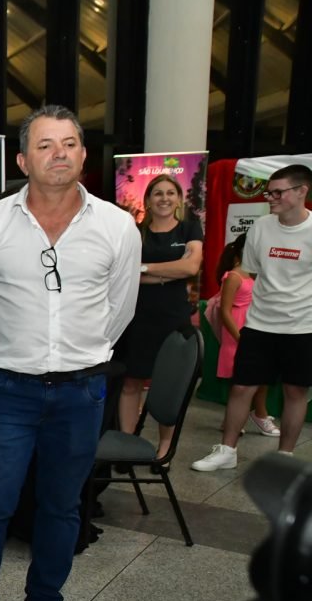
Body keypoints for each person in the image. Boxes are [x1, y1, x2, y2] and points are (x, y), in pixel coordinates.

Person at [0, 104, 139, 601]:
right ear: (22, 161)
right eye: (45, 144)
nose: (59, 153)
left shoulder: (116, 226)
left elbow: (119, 309)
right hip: (8, 389)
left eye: (69, 143)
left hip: (81, 391)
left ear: (83, 154)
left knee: (61, 507)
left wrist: (80, 354)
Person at [192, 164, 312, 471]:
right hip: (259, 325)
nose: (270, 198)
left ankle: (284, 458)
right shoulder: (260, 228)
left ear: (302, 191)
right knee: (242, 387)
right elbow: (252, 272)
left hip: (302, 328)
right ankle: (227, 451)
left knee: (295, 391)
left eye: (277, 192)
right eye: (268, 192)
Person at [113, 174, 203, 457]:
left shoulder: (189, 228)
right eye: (158, 193)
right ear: (148, 200)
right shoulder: (136, 232)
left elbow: (190, 268)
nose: (164, 198)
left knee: (168, 384)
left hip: (173, 317)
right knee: (131, 383)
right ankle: (126, 446)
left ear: (179, 199)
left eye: (170, 193)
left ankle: (165, 448)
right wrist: (169, 272)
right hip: (137, 317)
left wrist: (145, 269)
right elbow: (123, 274)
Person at [212, 234, 279, 436]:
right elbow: (225, 311)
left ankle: (247, 416)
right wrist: (240, 338)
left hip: (255, 327)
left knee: (260, 375)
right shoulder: (234, 276)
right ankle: (251, 416)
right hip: (238, 331)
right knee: (240, 379)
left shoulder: (255, 274)